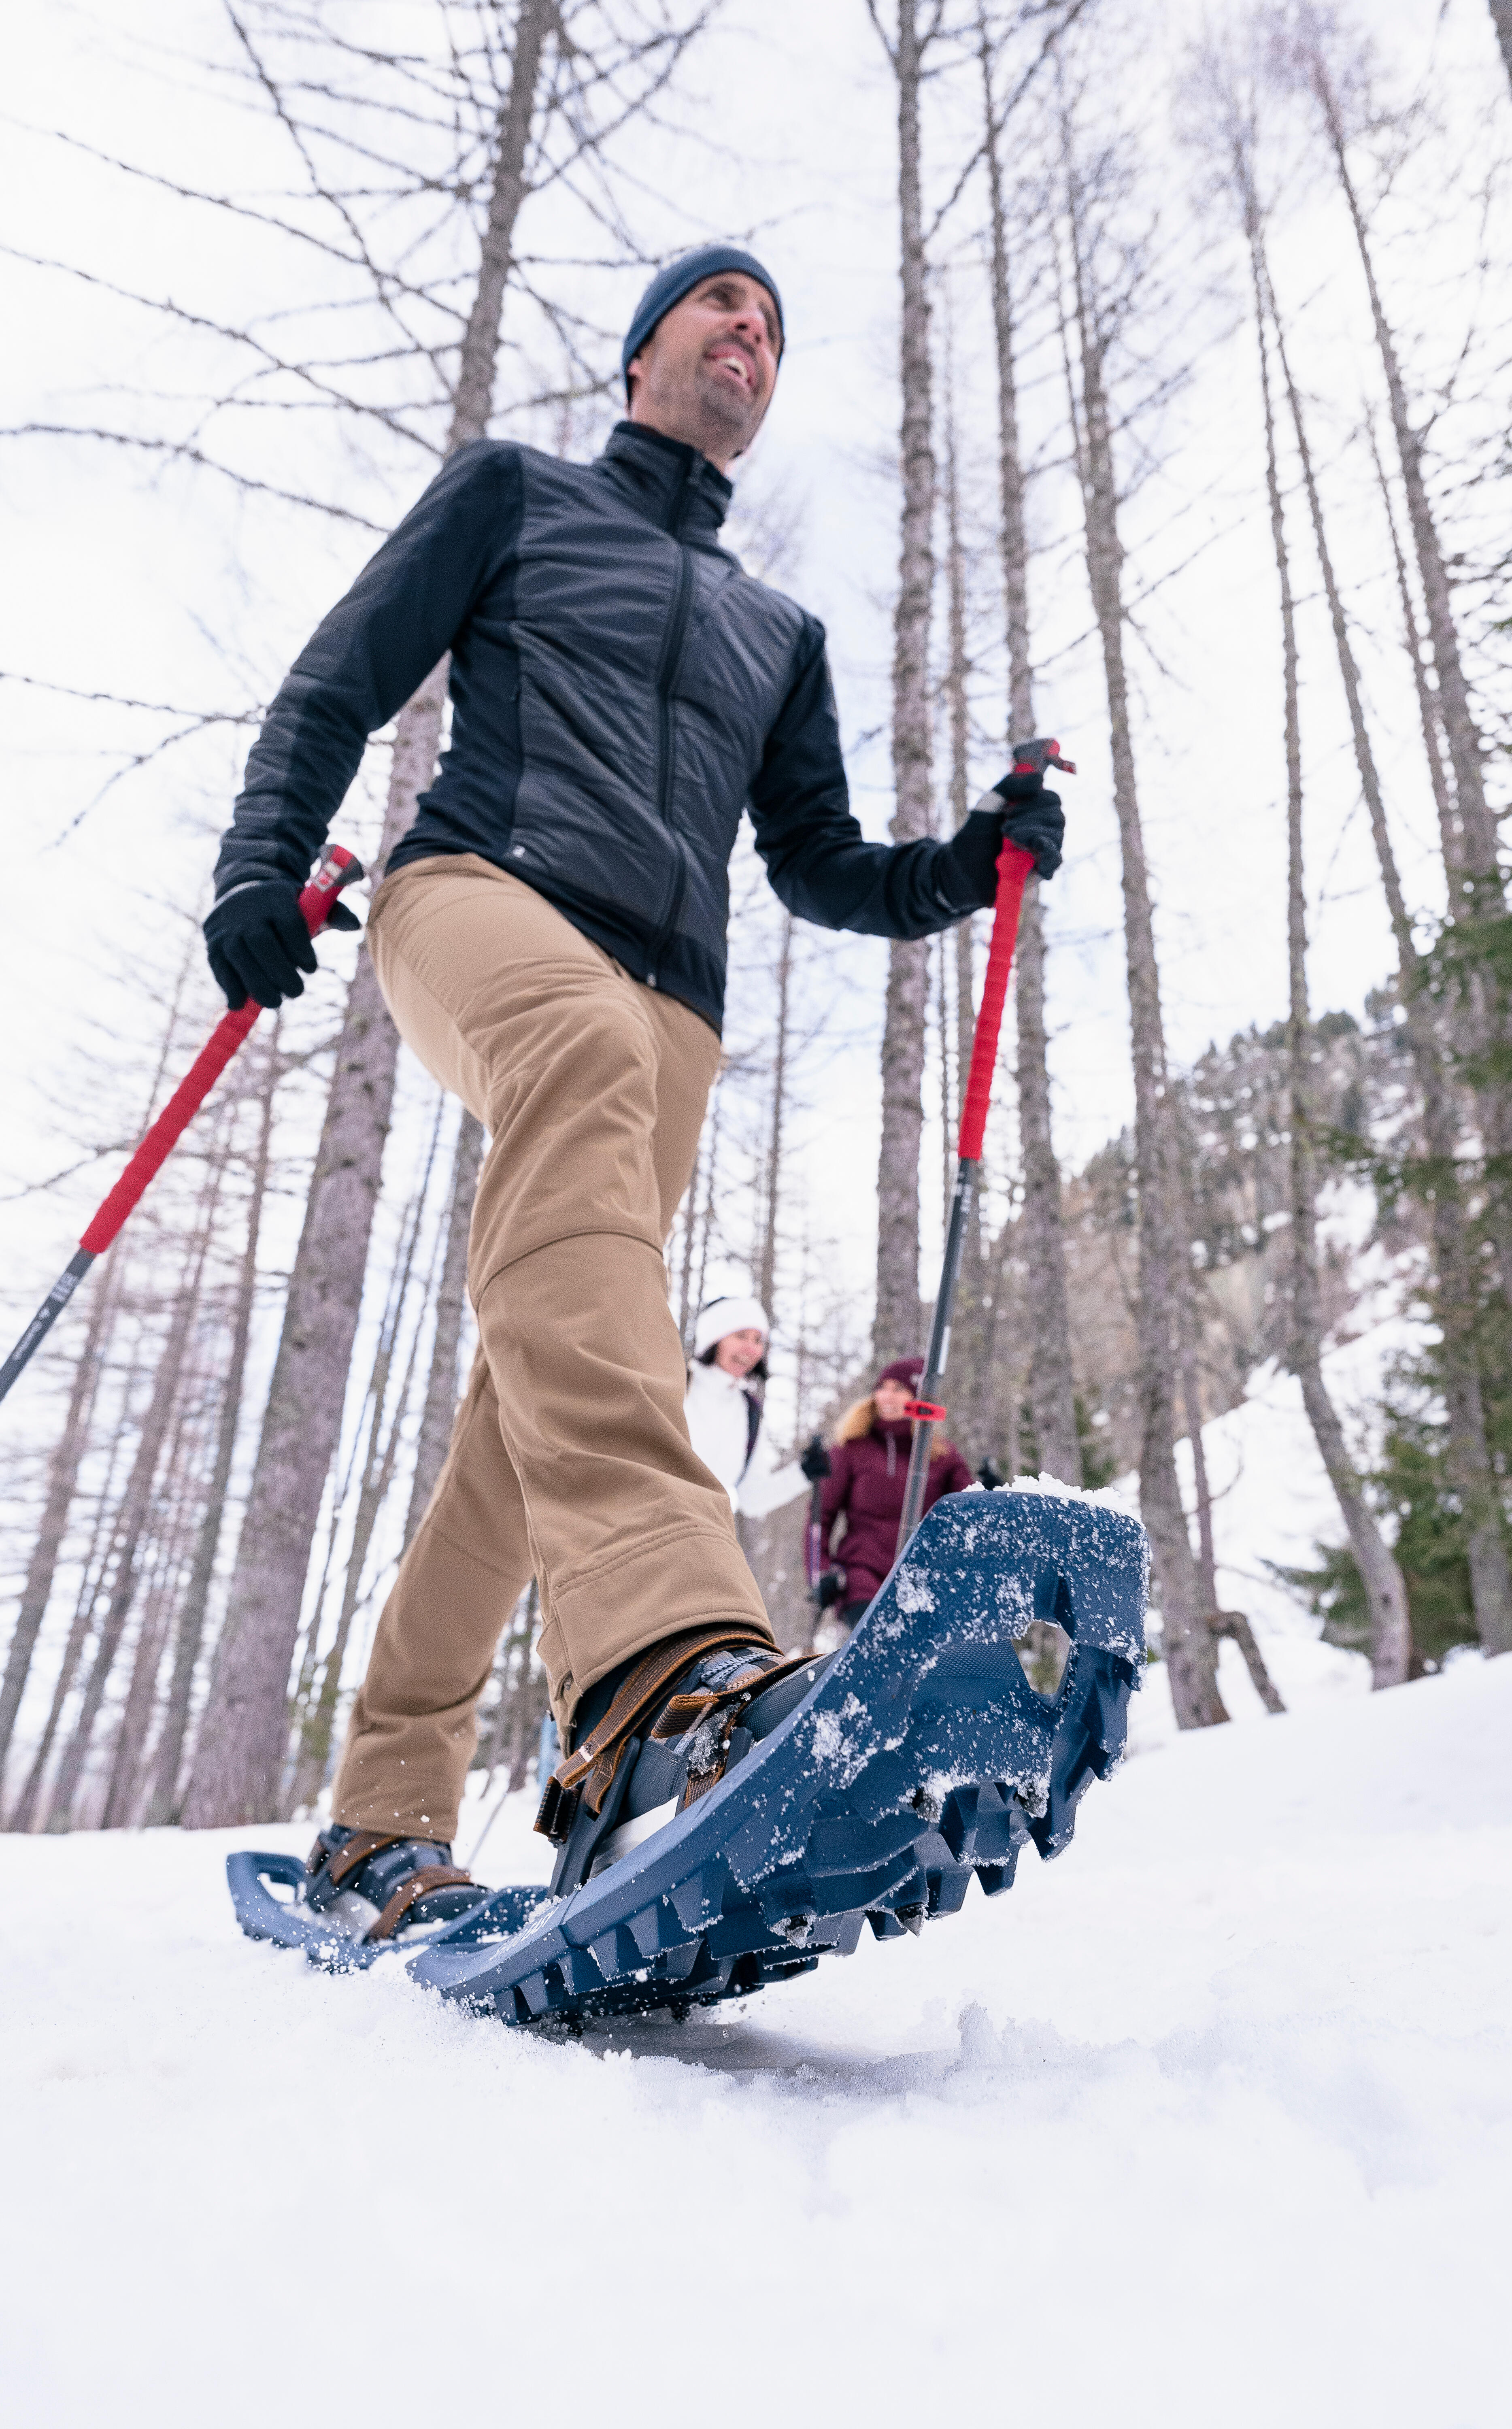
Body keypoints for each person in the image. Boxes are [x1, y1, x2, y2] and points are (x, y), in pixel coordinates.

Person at [202, 242, 1064, 1937]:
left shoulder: (776, 631)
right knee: (584, 1096)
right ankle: (659, 1680)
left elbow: (821, 868)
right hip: (481, 901)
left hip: (669, 1011)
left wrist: (965, 867)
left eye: (776, 323)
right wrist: (257, 870)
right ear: (642, 354)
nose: (753, 330)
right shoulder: (515, 497)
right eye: (724, 305)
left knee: (523, 1423)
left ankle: (383, 1823)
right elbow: (336, 682)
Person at [804, 1358, 974, 1642]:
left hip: (922, 1575)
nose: (887, 1396)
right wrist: (820, 1572)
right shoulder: (852, 1448)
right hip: (862, 1574)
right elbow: (820, 1516)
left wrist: (989, 1492)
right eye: (882, 1388)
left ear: (919, 1398)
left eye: (899, 1389)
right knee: (882, 1646)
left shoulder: (942, 1455)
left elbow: (968, 1507)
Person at [683, 1293, 808, 1521]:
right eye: (741, 1336)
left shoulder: (749, 1411)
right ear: (714, 1339)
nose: (752, 1350)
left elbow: (753, 1499)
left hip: (704, 1536)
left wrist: (803, 1473)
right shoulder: (676, 1384)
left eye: (758, 1340)